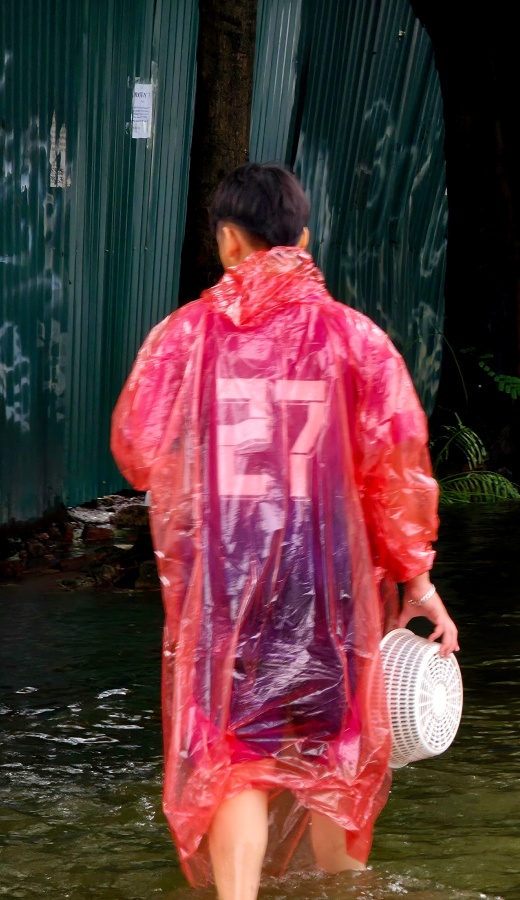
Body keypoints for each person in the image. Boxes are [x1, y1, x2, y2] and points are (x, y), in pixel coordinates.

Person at [111, 163, 459, 900]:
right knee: (336, 755)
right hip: (326, 583)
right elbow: (399, 464)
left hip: (227, 588)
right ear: (301, 237)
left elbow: (137, 449)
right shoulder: (354, 338)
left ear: (229, 241)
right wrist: (419, 579)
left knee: (235, 757)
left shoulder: (185, 335)